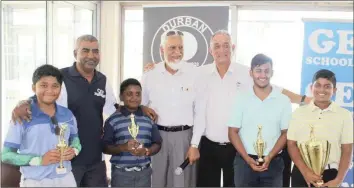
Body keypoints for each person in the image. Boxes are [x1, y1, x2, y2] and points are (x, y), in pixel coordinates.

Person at [144, 30, 311, 187]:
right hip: (208, 145)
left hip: (236, 146)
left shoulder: (246, 73)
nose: (221, 49)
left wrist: (303, 99)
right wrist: (156, 66)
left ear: (233, 48)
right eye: (217, 45)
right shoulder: (199, 73)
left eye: (226, 45)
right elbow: (173, 67)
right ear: (210, 50)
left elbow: (274, 88)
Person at [10, 35, 157, 187]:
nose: (91, 55)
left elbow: (114, 108)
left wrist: (141, 108)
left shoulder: (102, 80)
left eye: (95, 51)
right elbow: (43, 97)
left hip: (96, 158)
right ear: (75, 54)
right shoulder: (62, 77)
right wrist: (24, 102)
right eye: (85, 51)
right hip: (67, 159)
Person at [1, 64, 81, 187]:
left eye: (55, 86)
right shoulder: (22, 115)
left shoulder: (68, 114)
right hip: (35, 181)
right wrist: (38, 160)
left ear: (60, 89)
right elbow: (6, 156)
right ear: (34, 88)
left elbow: (75, 140)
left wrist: (74, 151)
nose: (50, 91)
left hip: (66, 179)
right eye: (43, 85)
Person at [141, 29, 201, 187]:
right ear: (162, 50)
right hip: (157, 138)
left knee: (181, 182)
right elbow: (139, 104)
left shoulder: (195, 74)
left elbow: (200, 113)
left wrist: (194, 145)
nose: (177, 52)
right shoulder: (150, 74)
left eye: (180, 47)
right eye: (172, 48)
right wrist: (143, 108)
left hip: (184, 137)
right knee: (157, 182)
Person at [227, 54, 292, 187]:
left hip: (273, 163)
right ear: (250, 73)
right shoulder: (240, 98)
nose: (263, 75)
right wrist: (247, 159)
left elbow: (286, 133)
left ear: (272, 73)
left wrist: (269, 157)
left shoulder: (283, 100)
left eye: (266, 71)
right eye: (258, 71)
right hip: (244, 163)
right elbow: (232, 132)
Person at [287, 69, 353, 187]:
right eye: (318, 85)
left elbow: (347, 150)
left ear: (335, 90)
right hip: (302, 173)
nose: (322, 90)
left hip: (330, 175)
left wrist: (338, 180)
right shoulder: (298, 113)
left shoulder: (344, 115)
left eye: (327, 86)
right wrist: (305, 171)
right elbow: (291, 144)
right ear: (312, 87)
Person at [102, 78, 162, 187]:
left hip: (144, 174)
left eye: (138, 94)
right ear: (121, 96)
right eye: (129, 94)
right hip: (121, 174)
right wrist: (123, 147)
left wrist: (146, 151)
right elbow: (105, 147)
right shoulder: (112, 120)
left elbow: (157, 143)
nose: (134, 98)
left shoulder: (148, 119)